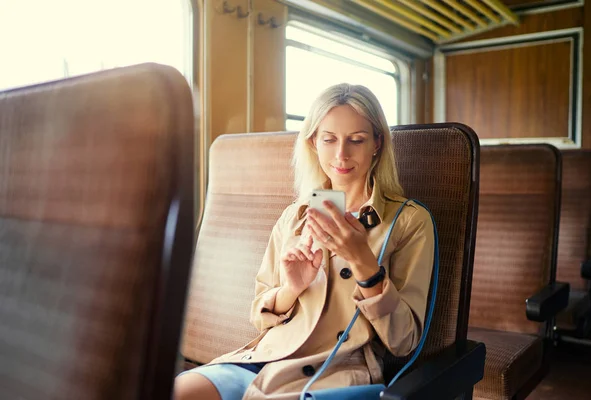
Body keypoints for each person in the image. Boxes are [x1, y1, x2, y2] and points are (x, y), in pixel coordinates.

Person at [174, 83, 434, 400]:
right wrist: (292, 288)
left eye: (357, 140)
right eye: (329, 139)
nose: (342, 154)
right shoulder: (294, 217)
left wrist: (362, 261)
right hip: (267, 361)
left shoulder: (409, 221)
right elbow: (261, 316)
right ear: (313, 142)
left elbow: (404, 342)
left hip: (335, 372)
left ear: (377, 143)